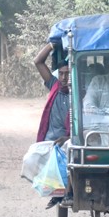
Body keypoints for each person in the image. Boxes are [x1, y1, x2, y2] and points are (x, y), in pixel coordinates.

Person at [33, 43, 71, 208]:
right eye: (61, 73)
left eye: (68, 74)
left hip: (69, 140)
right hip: (50, 139)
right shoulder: (53, 85)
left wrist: (67, 138)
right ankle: (56, 194)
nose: (64, 78)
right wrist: (51, 45)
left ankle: (63, 194)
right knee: (32, 159)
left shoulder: (77, 94)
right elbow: (38, 62)